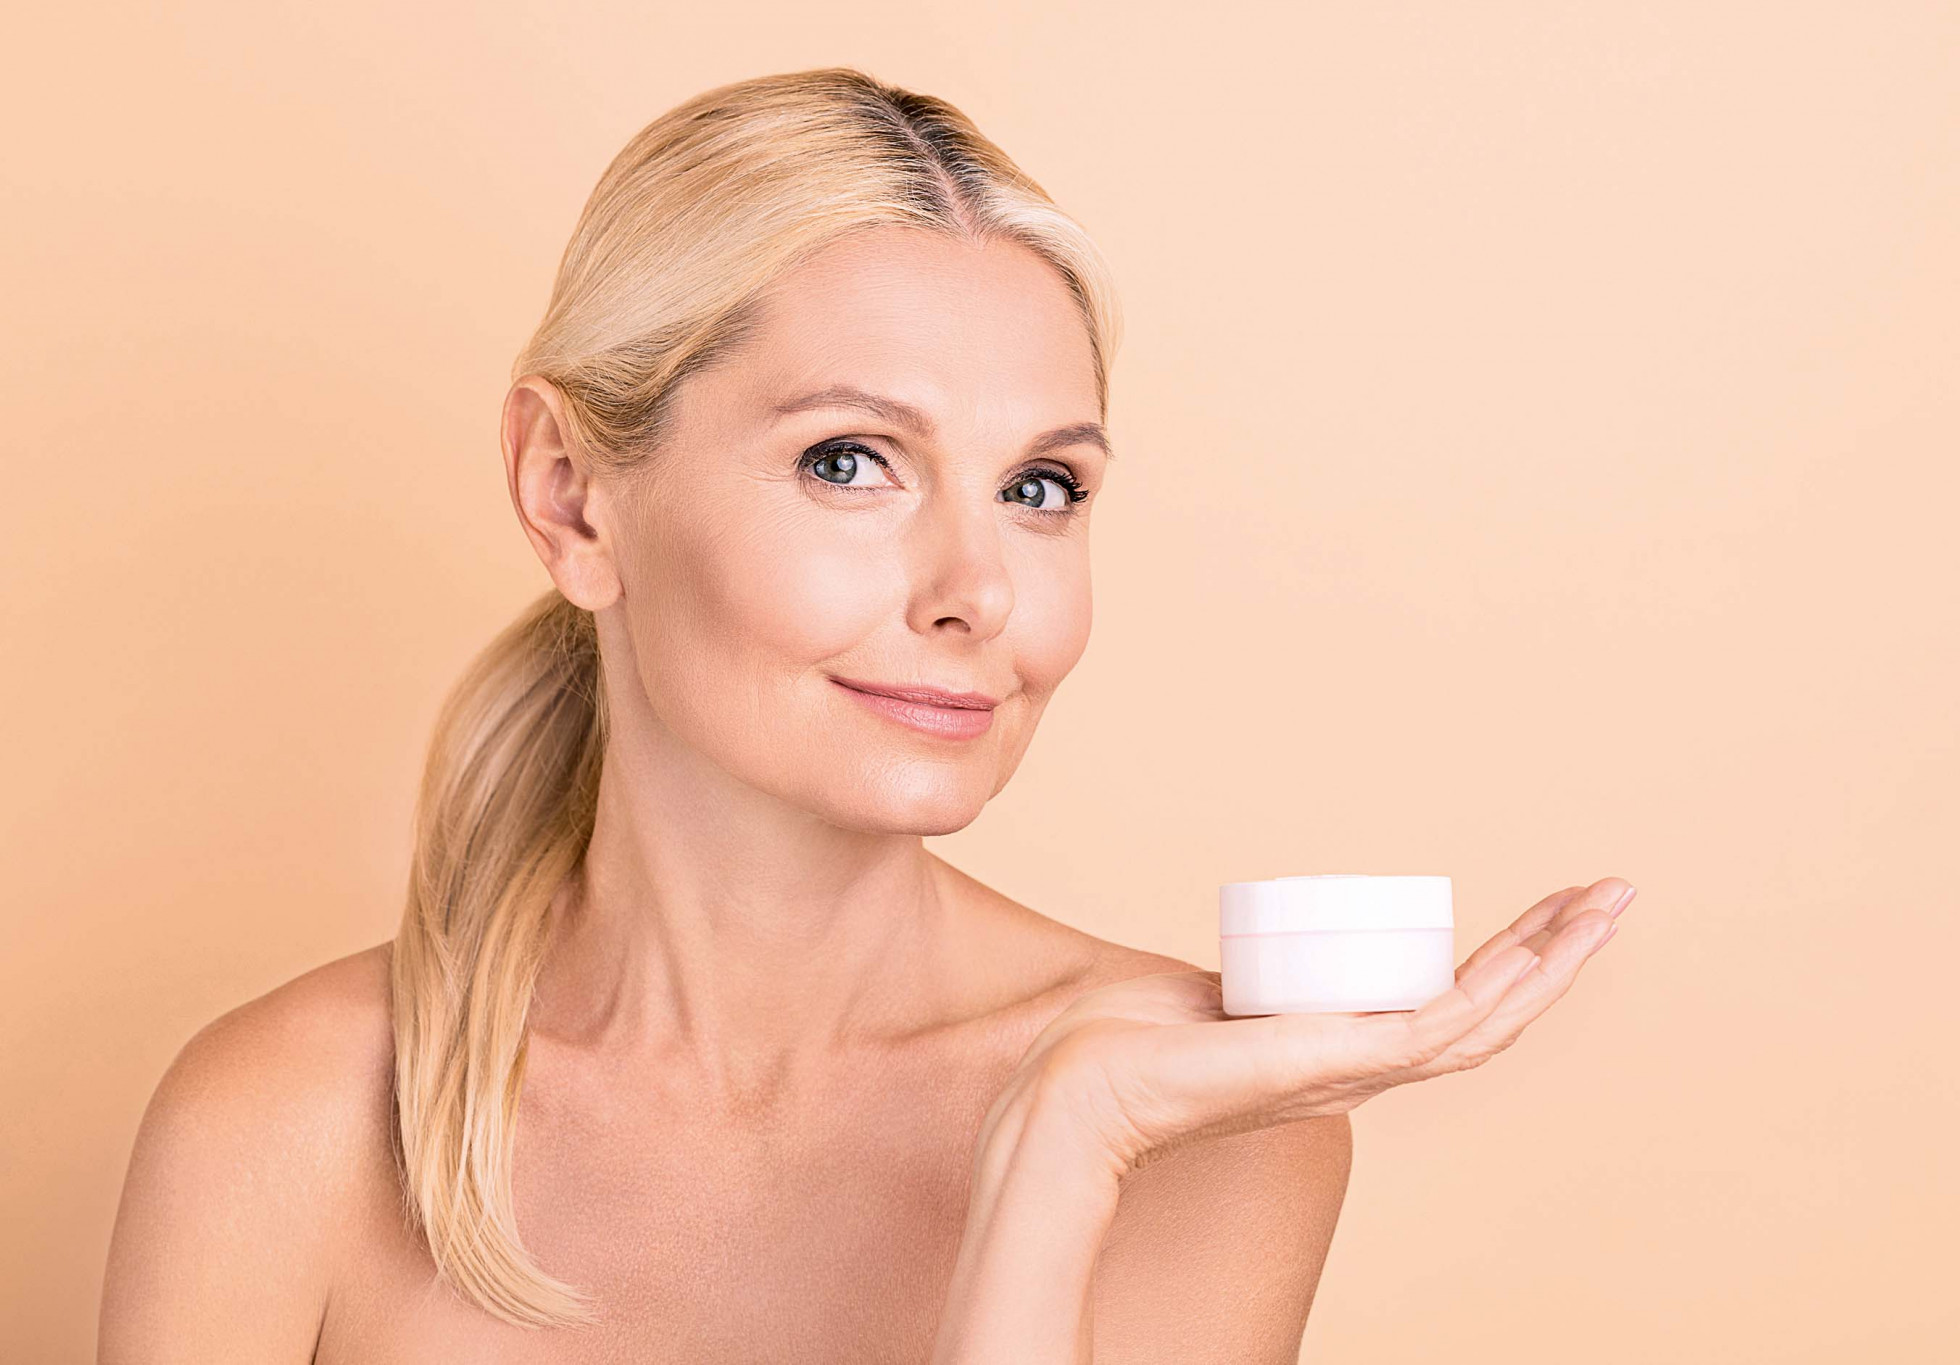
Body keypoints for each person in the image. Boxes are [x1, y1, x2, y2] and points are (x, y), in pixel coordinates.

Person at [97, 67, 1634, 1364]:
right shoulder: (285, 1124)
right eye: (850, 461)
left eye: (1042, 487)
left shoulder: (1212, 1131)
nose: (978, 591)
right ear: (570, 494)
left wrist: (1065, 1147)